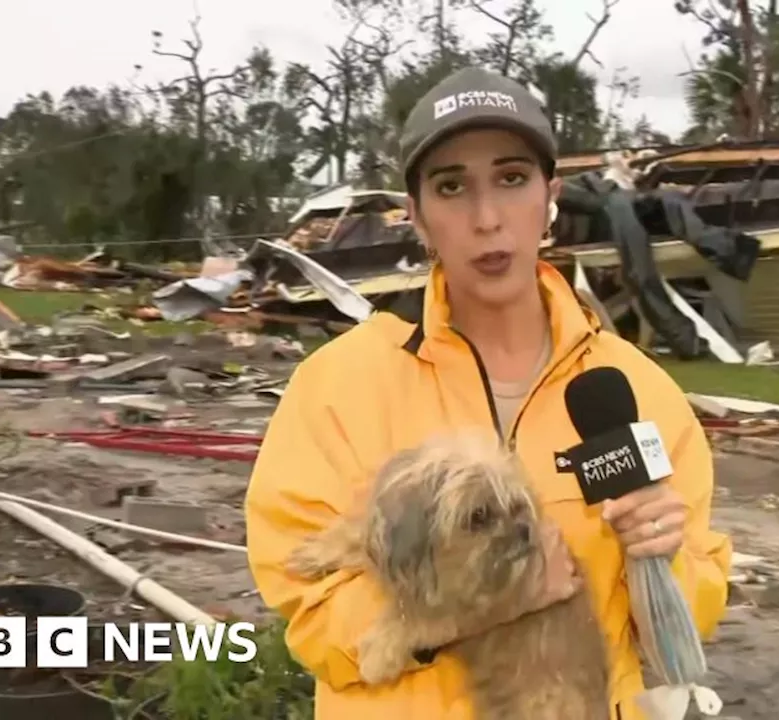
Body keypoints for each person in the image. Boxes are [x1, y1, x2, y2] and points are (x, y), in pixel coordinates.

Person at [245, 66, 732, 719]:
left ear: (550, 195)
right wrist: (487, 604)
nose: (486, 218)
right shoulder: (339, 387)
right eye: (452, 188)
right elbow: (310, 611)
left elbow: (683, 628)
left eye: (511, 179)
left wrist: (663, 562)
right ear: (415, 216)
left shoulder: (637, 392)